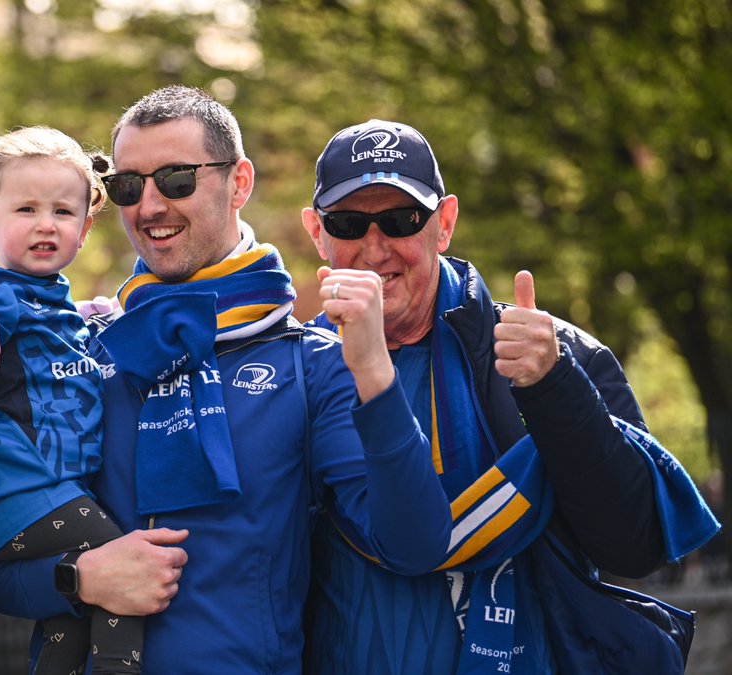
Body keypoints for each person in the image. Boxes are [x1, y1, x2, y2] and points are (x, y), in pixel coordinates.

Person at [0, 86, 459, 674]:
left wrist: (376, 376)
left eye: (177, 179)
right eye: (129, 186)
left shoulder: (313, 363)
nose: (150, 206)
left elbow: (414, 545)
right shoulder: (81, 351)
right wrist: (78, 580)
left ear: (240, 183)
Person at [300, 119, 720, 673]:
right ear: (317, 232)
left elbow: (635, 547)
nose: (375, 249)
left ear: (443, 223)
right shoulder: (293, 370)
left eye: (402, 220)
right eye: (350, 223)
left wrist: (555, 387)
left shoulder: (548, 353)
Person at [0, 122, 141, 674]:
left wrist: (103, 323)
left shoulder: (60, 309)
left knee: (68, 623)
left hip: (56, 495)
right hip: (15, 497)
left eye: (63, 212)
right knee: (126, 566)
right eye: (25, 210)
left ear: (85, 227)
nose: (45, 224)